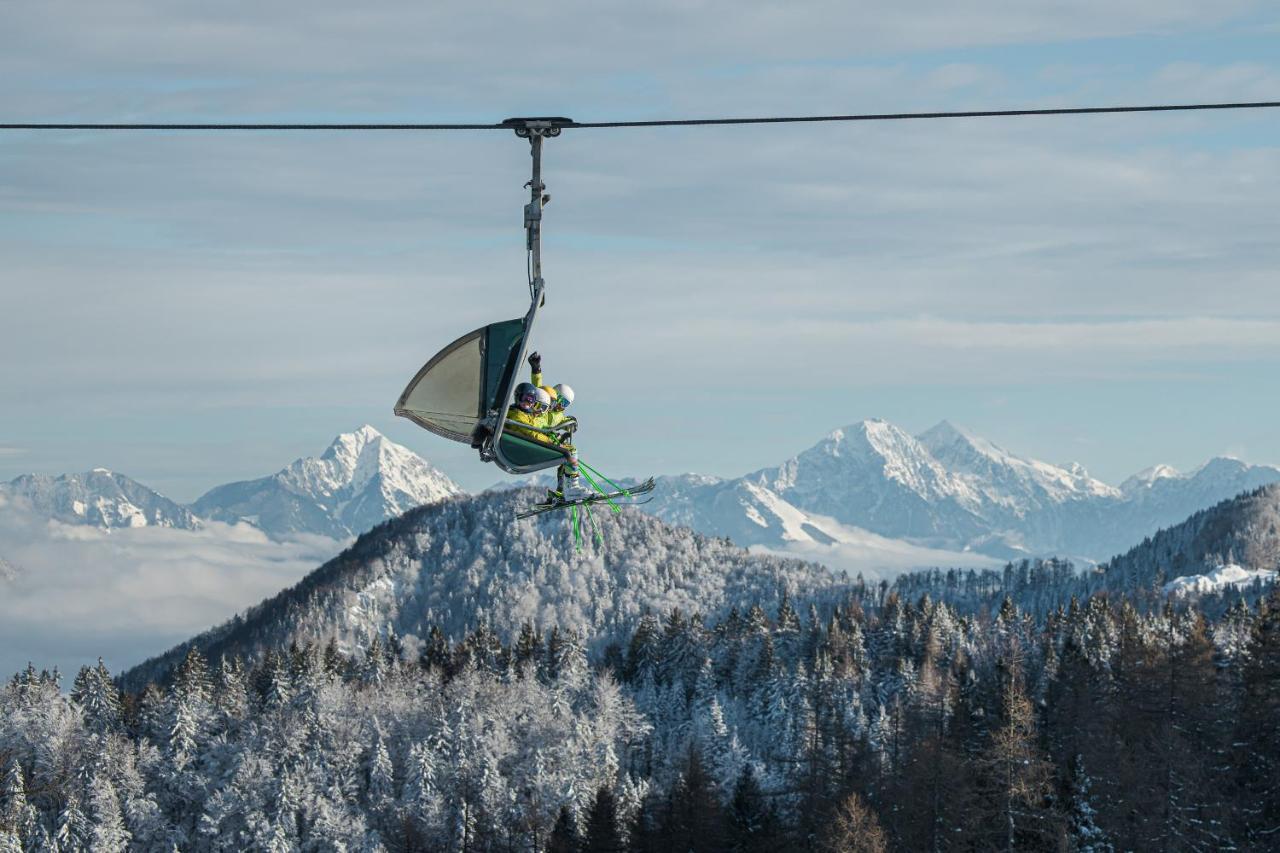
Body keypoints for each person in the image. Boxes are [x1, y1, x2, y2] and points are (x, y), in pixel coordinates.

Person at [527, 352, 586, 502]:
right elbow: (537, 385)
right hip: (536, 439)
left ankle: (562, 488)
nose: (561, 406)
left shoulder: (559, 415)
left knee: (565, 454)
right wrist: (536, 368)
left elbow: (563, 421)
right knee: (570, 451)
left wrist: (571, 423)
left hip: (543, 440)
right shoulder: (543, 405)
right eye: (561, 401)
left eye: (565, 405)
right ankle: (572, 488)